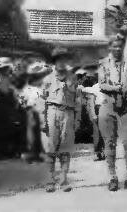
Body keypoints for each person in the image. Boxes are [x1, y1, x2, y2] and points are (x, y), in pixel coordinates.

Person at [97, 32, 127, 192]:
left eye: (119, 46)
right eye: (114, 46)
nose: (116, 49)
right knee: (109, 142)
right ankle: (112, 177)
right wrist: (116, 88)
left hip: (126, 107)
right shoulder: (103, 63)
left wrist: (126, 87)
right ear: (110, 47)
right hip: (108, 106)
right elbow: (102, 84)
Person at [41, 48, 79, 193]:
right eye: (59, 59)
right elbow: (43, 99)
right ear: (55, 61)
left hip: (68, 112)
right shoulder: (47, 78)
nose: (62, 62)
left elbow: (77, 98)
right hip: (52, 110)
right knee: (51, 148)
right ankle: (50, 180)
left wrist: (77, 118)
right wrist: (44, 119)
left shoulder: (72, 77)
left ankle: (63, 180)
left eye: (64, 59)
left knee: (65, 147)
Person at [19, 62, 49, 163]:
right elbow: (24, 103)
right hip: (32, 113)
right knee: (33, 133)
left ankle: (43, 152)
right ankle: (34, 153)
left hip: (45, 112)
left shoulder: (44, 87)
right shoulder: (27, 89)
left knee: (44, 133)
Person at [80, 72, 105, 161]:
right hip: (102, 109)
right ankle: (100, 152)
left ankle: (102, 152)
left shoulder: (107, 86)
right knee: (101, 132)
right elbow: (84, 90)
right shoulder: (96, 87)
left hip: (105, 109)